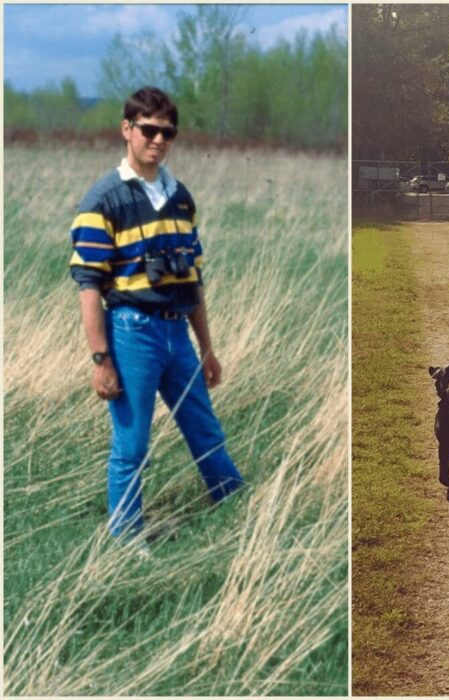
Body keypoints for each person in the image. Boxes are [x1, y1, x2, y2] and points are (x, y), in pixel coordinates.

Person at [70, 86, 244, 543]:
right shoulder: (103, 199)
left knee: (205, 430)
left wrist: (207, 349)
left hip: (178, 337)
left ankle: (236, 510)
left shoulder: (181, 197)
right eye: (148, 129)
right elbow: (89, 287)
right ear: (127, 129)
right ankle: (128, 539)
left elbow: (194, 281)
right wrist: (100, 360)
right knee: (132, 447)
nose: (158, 139)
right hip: (131, 333)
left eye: (168, 132)